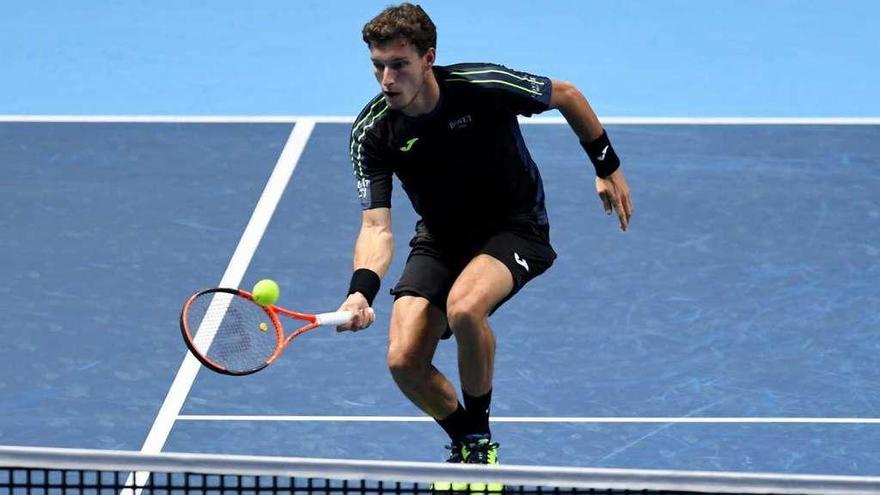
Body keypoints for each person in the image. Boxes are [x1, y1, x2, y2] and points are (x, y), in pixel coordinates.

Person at [336, 3, 633, 466]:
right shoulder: (373, 131)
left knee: (465, 306)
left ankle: (478, 439)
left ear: (428, 58)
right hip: (440, 238)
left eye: (399, 65)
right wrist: (360, 293)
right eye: (378, 67)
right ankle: (471, 442)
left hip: (515, 226)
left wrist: (606, 164)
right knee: (403, 361)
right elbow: (376, 227)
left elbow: (568, 95)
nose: (387, 79)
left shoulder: (483, 87)